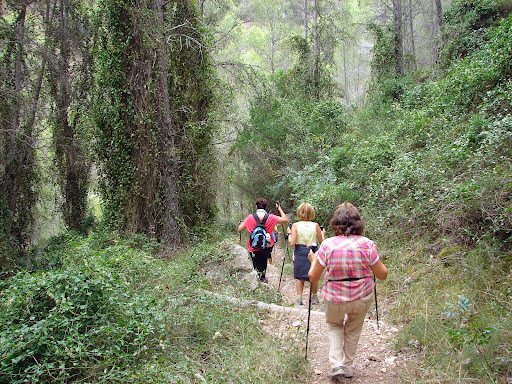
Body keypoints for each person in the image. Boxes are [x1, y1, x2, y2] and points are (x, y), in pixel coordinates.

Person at [308, 202, 388, 380]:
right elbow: (382, 274)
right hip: (361, 296)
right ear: (358, 223)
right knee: (353, 329)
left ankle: (337, 364)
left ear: (335, 224)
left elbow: (313, 277)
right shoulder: (367, 244)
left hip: (334, 297)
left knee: (334, 325)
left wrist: (313, 259)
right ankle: (348, 367)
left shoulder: (328, 245)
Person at [238, 198, 288, 283]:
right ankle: (263, 278)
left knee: (255, 264)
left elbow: (240, 229)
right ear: (266, 207)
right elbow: (285, 220)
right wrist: (279, 208)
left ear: (256, 207)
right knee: (264, 262)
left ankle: (256, 279)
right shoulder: (271, 217)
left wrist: (242, 224)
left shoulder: (250, 217)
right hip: (266, 246)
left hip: (253, 246)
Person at [287, 202, 325, 306]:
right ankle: (314, 297)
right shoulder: (316, 225)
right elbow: (322, 242)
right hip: (313, 251)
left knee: (299, 276)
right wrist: (322, 234)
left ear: (299, 212)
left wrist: (289, 233)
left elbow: (292, 243)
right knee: (314, 274)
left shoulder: (295, 225)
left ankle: (299, 299)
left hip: (300, 251)